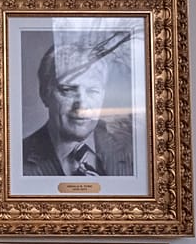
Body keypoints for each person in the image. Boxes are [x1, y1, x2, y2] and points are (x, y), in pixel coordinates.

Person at [23, 42, 133, 176]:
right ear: (44, 94)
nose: (82, 106)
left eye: (92, 91)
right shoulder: (16, 157)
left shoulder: (132, 152)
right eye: (68, 90)